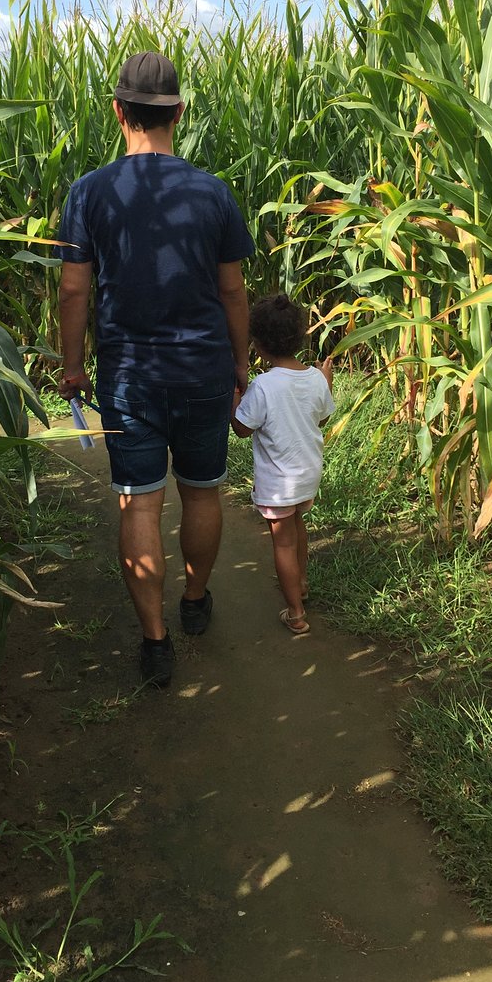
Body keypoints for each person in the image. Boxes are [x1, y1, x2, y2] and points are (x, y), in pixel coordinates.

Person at [56, 51, 253, 688]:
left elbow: (74, 291)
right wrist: (239, 366)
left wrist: (72, 366)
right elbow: (232, 293)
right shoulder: (214, 192)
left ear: (119, 111)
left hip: (127, 376)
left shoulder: (88, 194)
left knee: (138, 505)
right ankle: (195, 600)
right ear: (178, 112)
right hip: (202, 369)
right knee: (201, 490)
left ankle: (155, 641)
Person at [231, 294, 334, 634]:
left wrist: (234, 400)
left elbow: (243, 429)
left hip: (279, 483)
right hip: (308, 475)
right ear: (301, 336)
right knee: (298, 527)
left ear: (258, 345)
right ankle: (300, 582)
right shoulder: (316, 378)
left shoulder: (262, 386)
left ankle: (296, 612)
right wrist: (327, 382)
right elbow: (321, 416)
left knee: (283, 541)